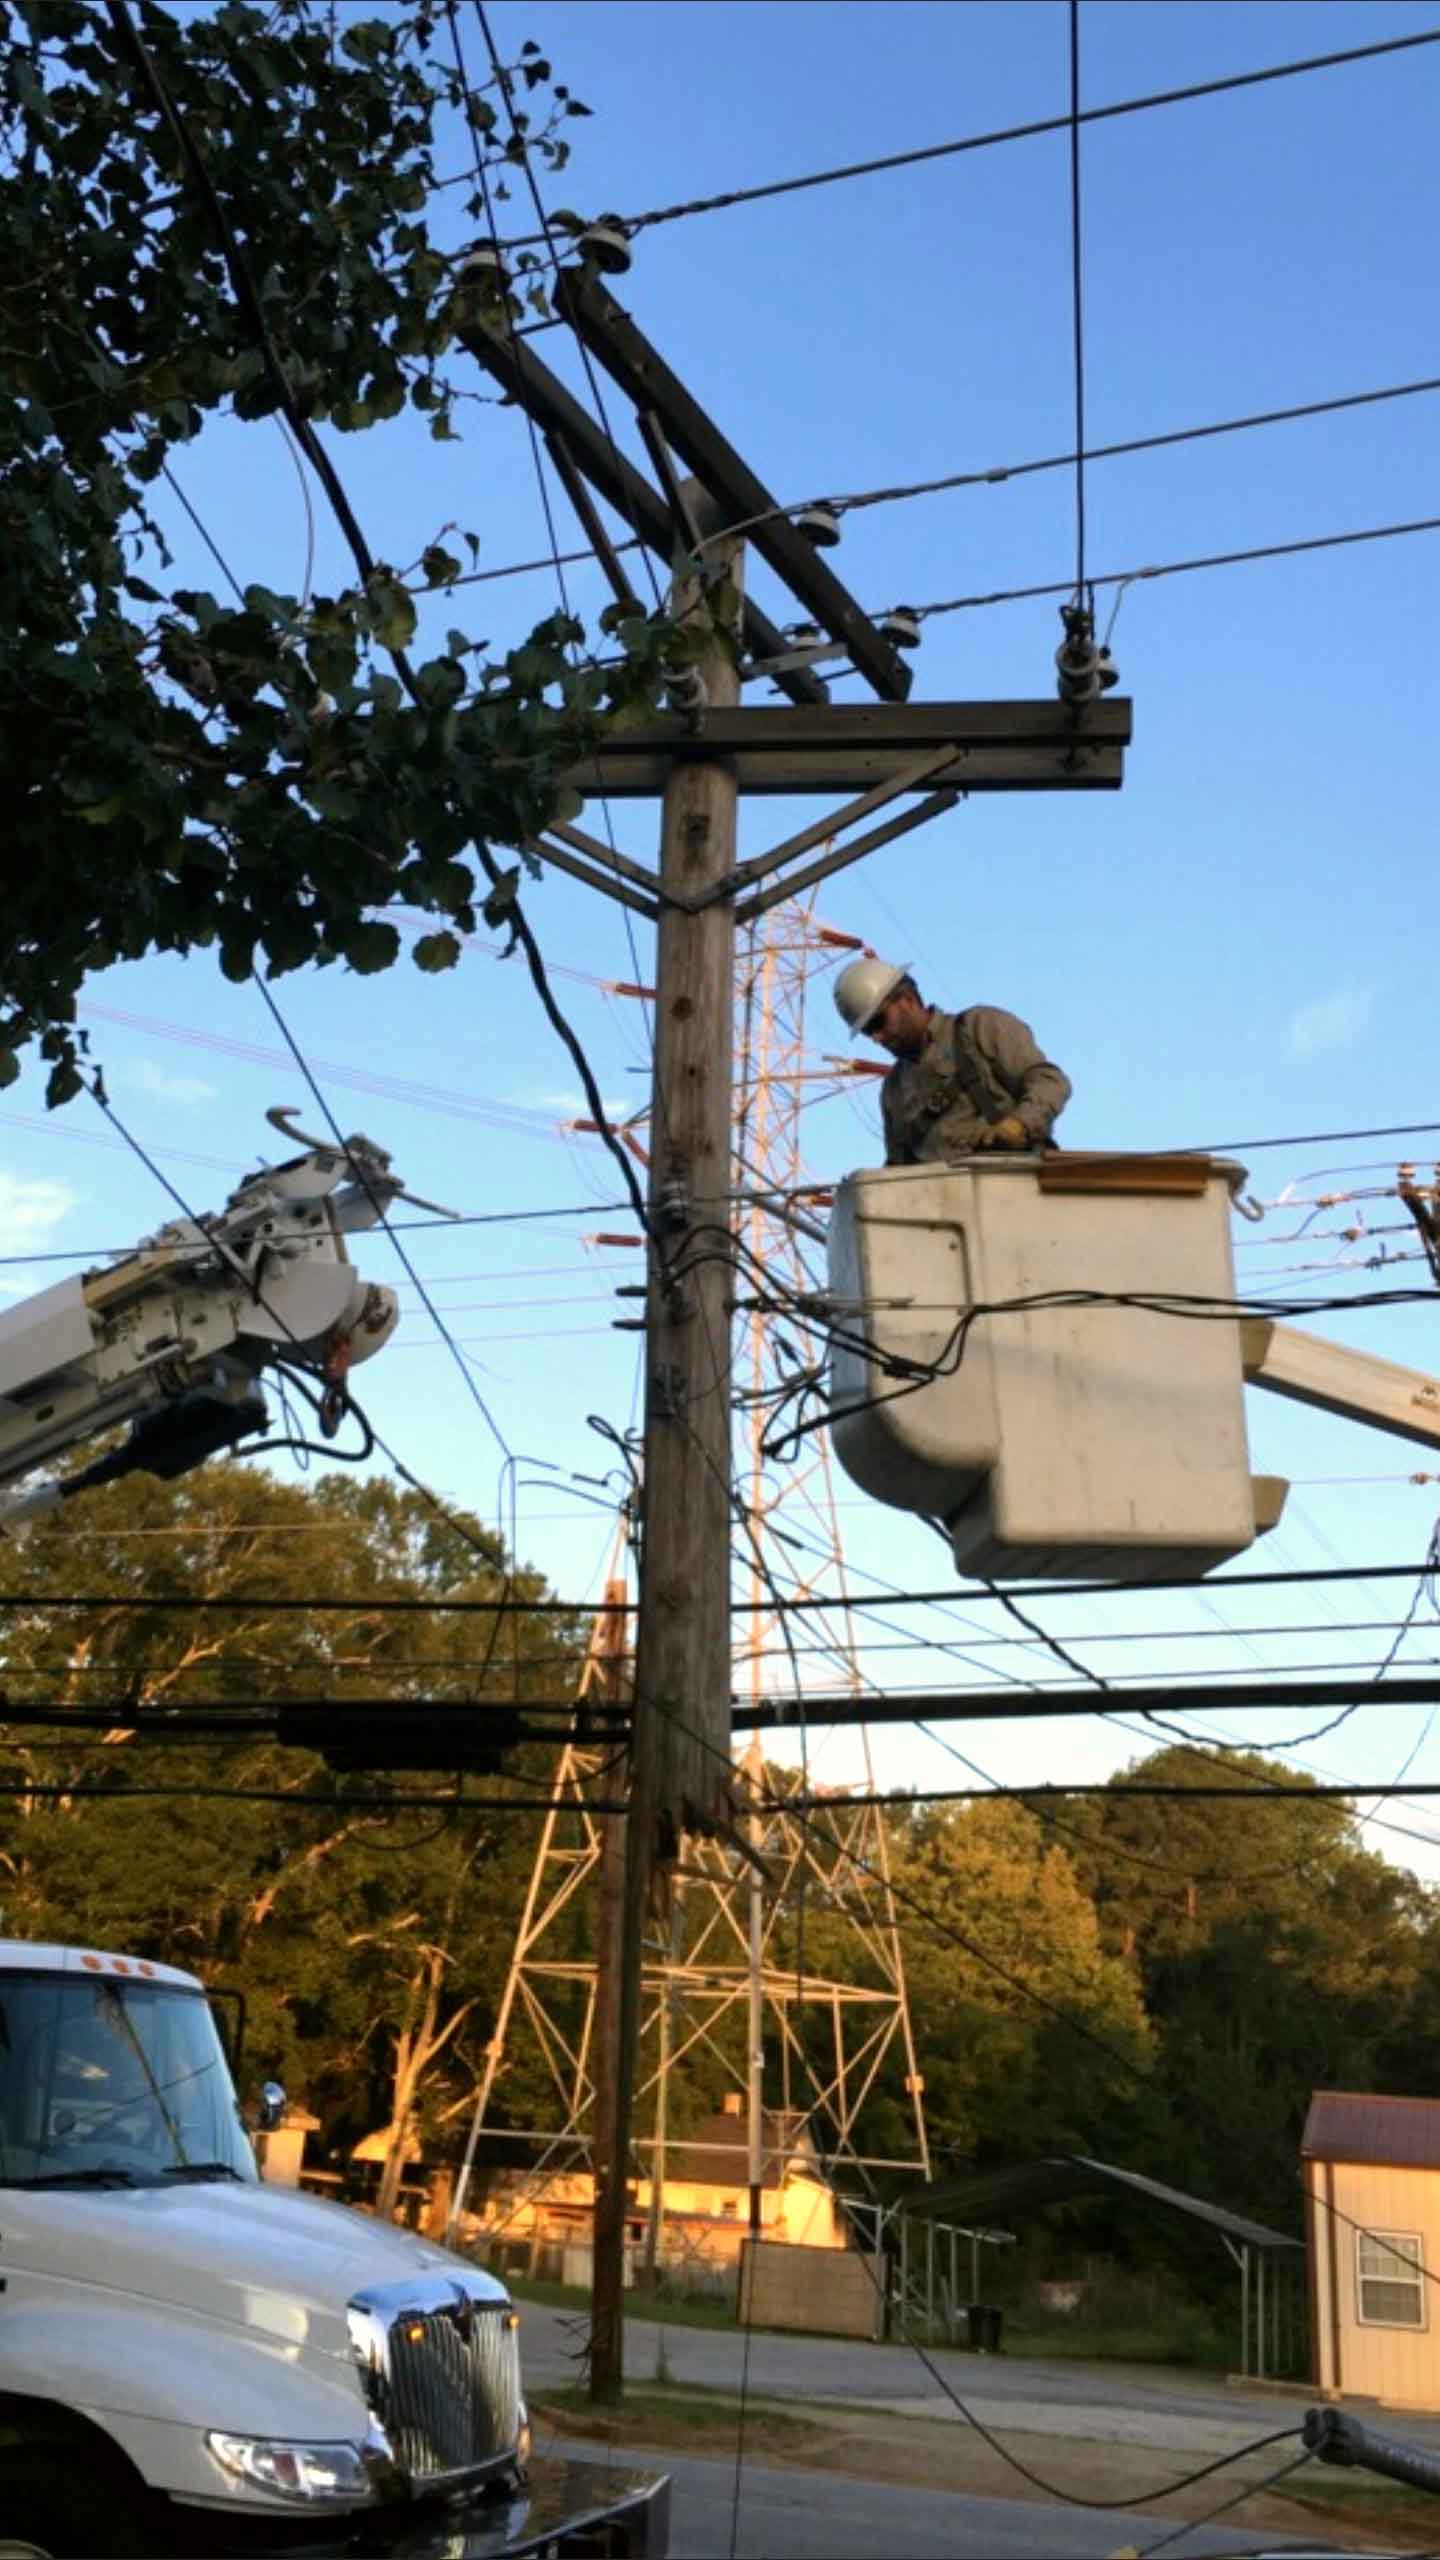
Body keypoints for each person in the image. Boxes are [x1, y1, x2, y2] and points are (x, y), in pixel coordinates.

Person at [832, 956, 1071, 1166]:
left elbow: (1049, 1082)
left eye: (878, 1022)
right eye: (867, 1032)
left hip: (1010, 1189)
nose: (877, 1037)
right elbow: (898, 1167)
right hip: (946, 1208)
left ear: (908, 999)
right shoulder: (894, 1089)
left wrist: (1020, 1124)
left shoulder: (979, 1028)